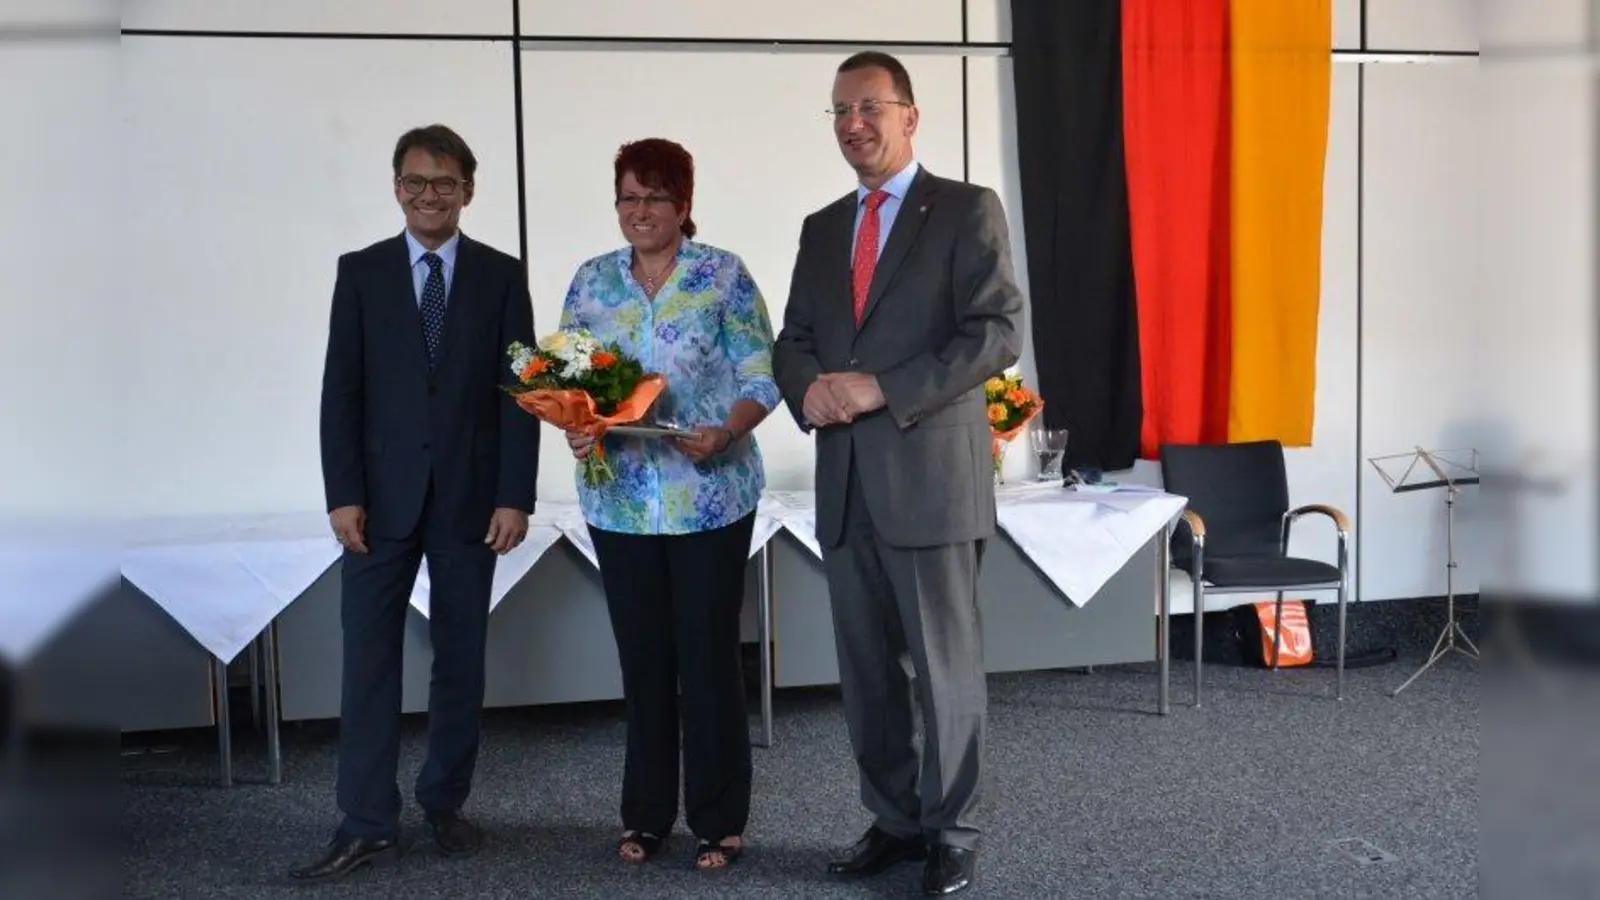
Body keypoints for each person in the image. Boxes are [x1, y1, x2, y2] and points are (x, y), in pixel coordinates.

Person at [771, 52, 1025, 897]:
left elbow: (997, 333)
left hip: (930, 482)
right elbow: (793, 338)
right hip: (845, 485)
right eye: (841, 110)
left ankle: (953, 831)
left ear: (910, 117)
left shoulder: (962, 210)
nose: (854, 123)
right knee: (870, 674)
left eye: (870, 106)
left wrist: (883, 387)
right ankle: (894, 819)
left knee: (944, 672)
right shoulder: (819, 227)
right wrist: (807, 390)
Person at [294, 124, 540, 882]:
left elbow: (520, 395)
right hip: (377, 505)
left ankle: (444, 803)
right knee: (367, 663)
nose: (428, 195)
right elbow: (343, 391)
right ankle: (366, 820)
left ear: (469, 188)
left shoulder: (501, 275)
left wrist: (514, 495)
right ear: (396, 187)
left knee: (459, 659)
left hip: (471, 502)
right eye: (414, 182)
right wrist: (343, 495)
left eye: (443, 183)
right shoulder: (361, 272)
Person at [560, 138, 779, 871]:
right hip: (620, 504)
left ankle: (719, 820)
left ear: (684, 207)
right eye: (628, 197)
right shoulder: (593, 283)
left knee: (709, 659)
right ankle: (646, 816)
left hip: (709, 498)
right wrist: (579, 428)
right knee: (643, 661)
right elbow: (573, 383)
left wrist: (728, 431)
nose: (640, 211)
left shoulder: (722, 276)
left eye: (655, 198)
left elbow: (762, 373)